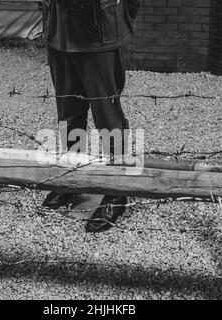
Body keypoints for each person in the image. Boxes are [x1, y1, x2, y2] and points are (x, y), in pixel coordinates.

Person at [41, 0, 140, 232]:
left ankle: (117, 191)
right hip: (60, 30)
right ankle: (74, 176)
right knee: (68, 112)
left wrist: (123, 18)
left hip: (99, 32)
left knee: (107, 116)